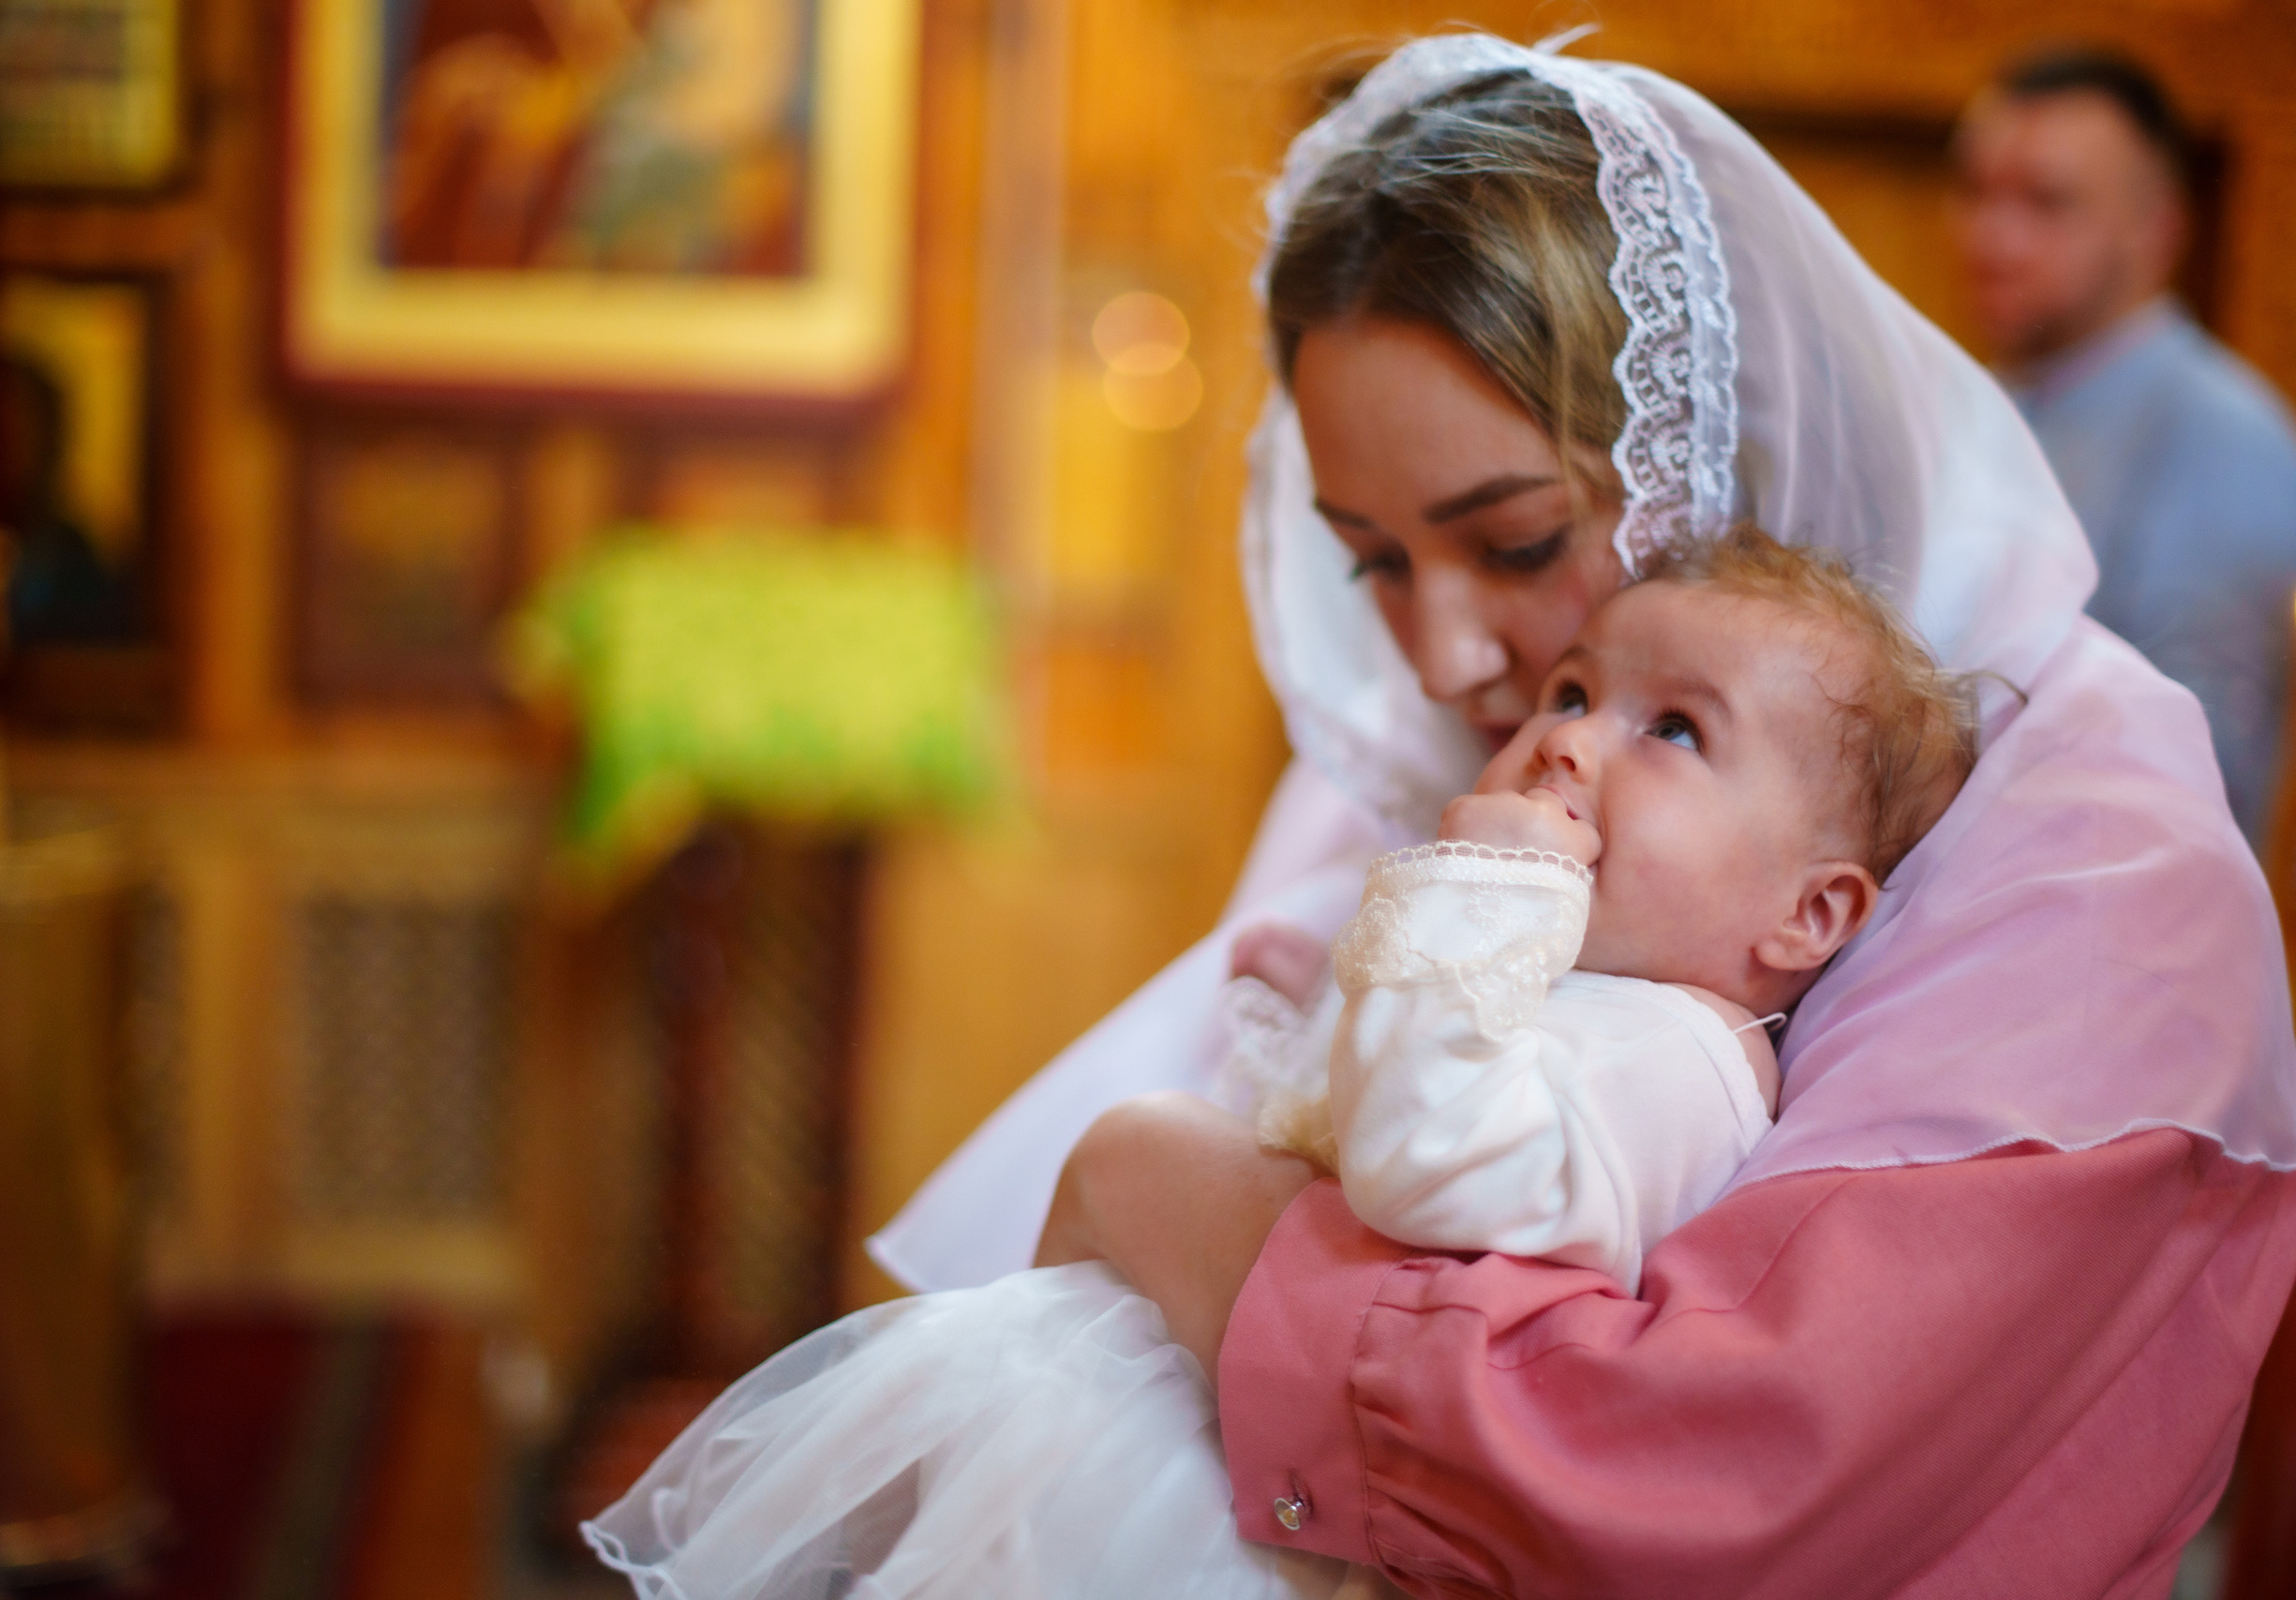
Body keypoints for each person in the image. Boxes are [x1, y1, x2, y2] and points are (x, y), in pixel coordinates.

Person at [876, 35, 2296, 1595]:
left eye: (1519, 536)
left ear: (1711, 437)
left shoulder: (2104, 870)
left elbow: (1706, 1471)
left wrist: (1177, 1194)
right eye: (1377, 559)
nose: (1445, 655)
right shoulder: (1475, 765)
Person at [586, 531, 1979, 1598]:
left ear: (1811, 914)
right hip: (1194, 1412)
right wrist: (1328, 998)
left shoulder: (1687, 1054)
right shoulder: (1587, 997)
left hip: (1237, 1511)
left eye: (1673, 730)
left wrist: (1475, 888)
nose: (1566, 738)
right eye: (1575, 689)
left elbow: (1431, 1159)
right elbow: (1423, 1106)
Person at [1954, 47, 2296, 845]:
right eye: (1975, 192)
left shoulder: (2224, 433)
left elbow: (2193, 767)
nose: (1993, 236)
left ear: (2156, 227)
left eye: (2047, 201)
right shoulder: (1977, 398)